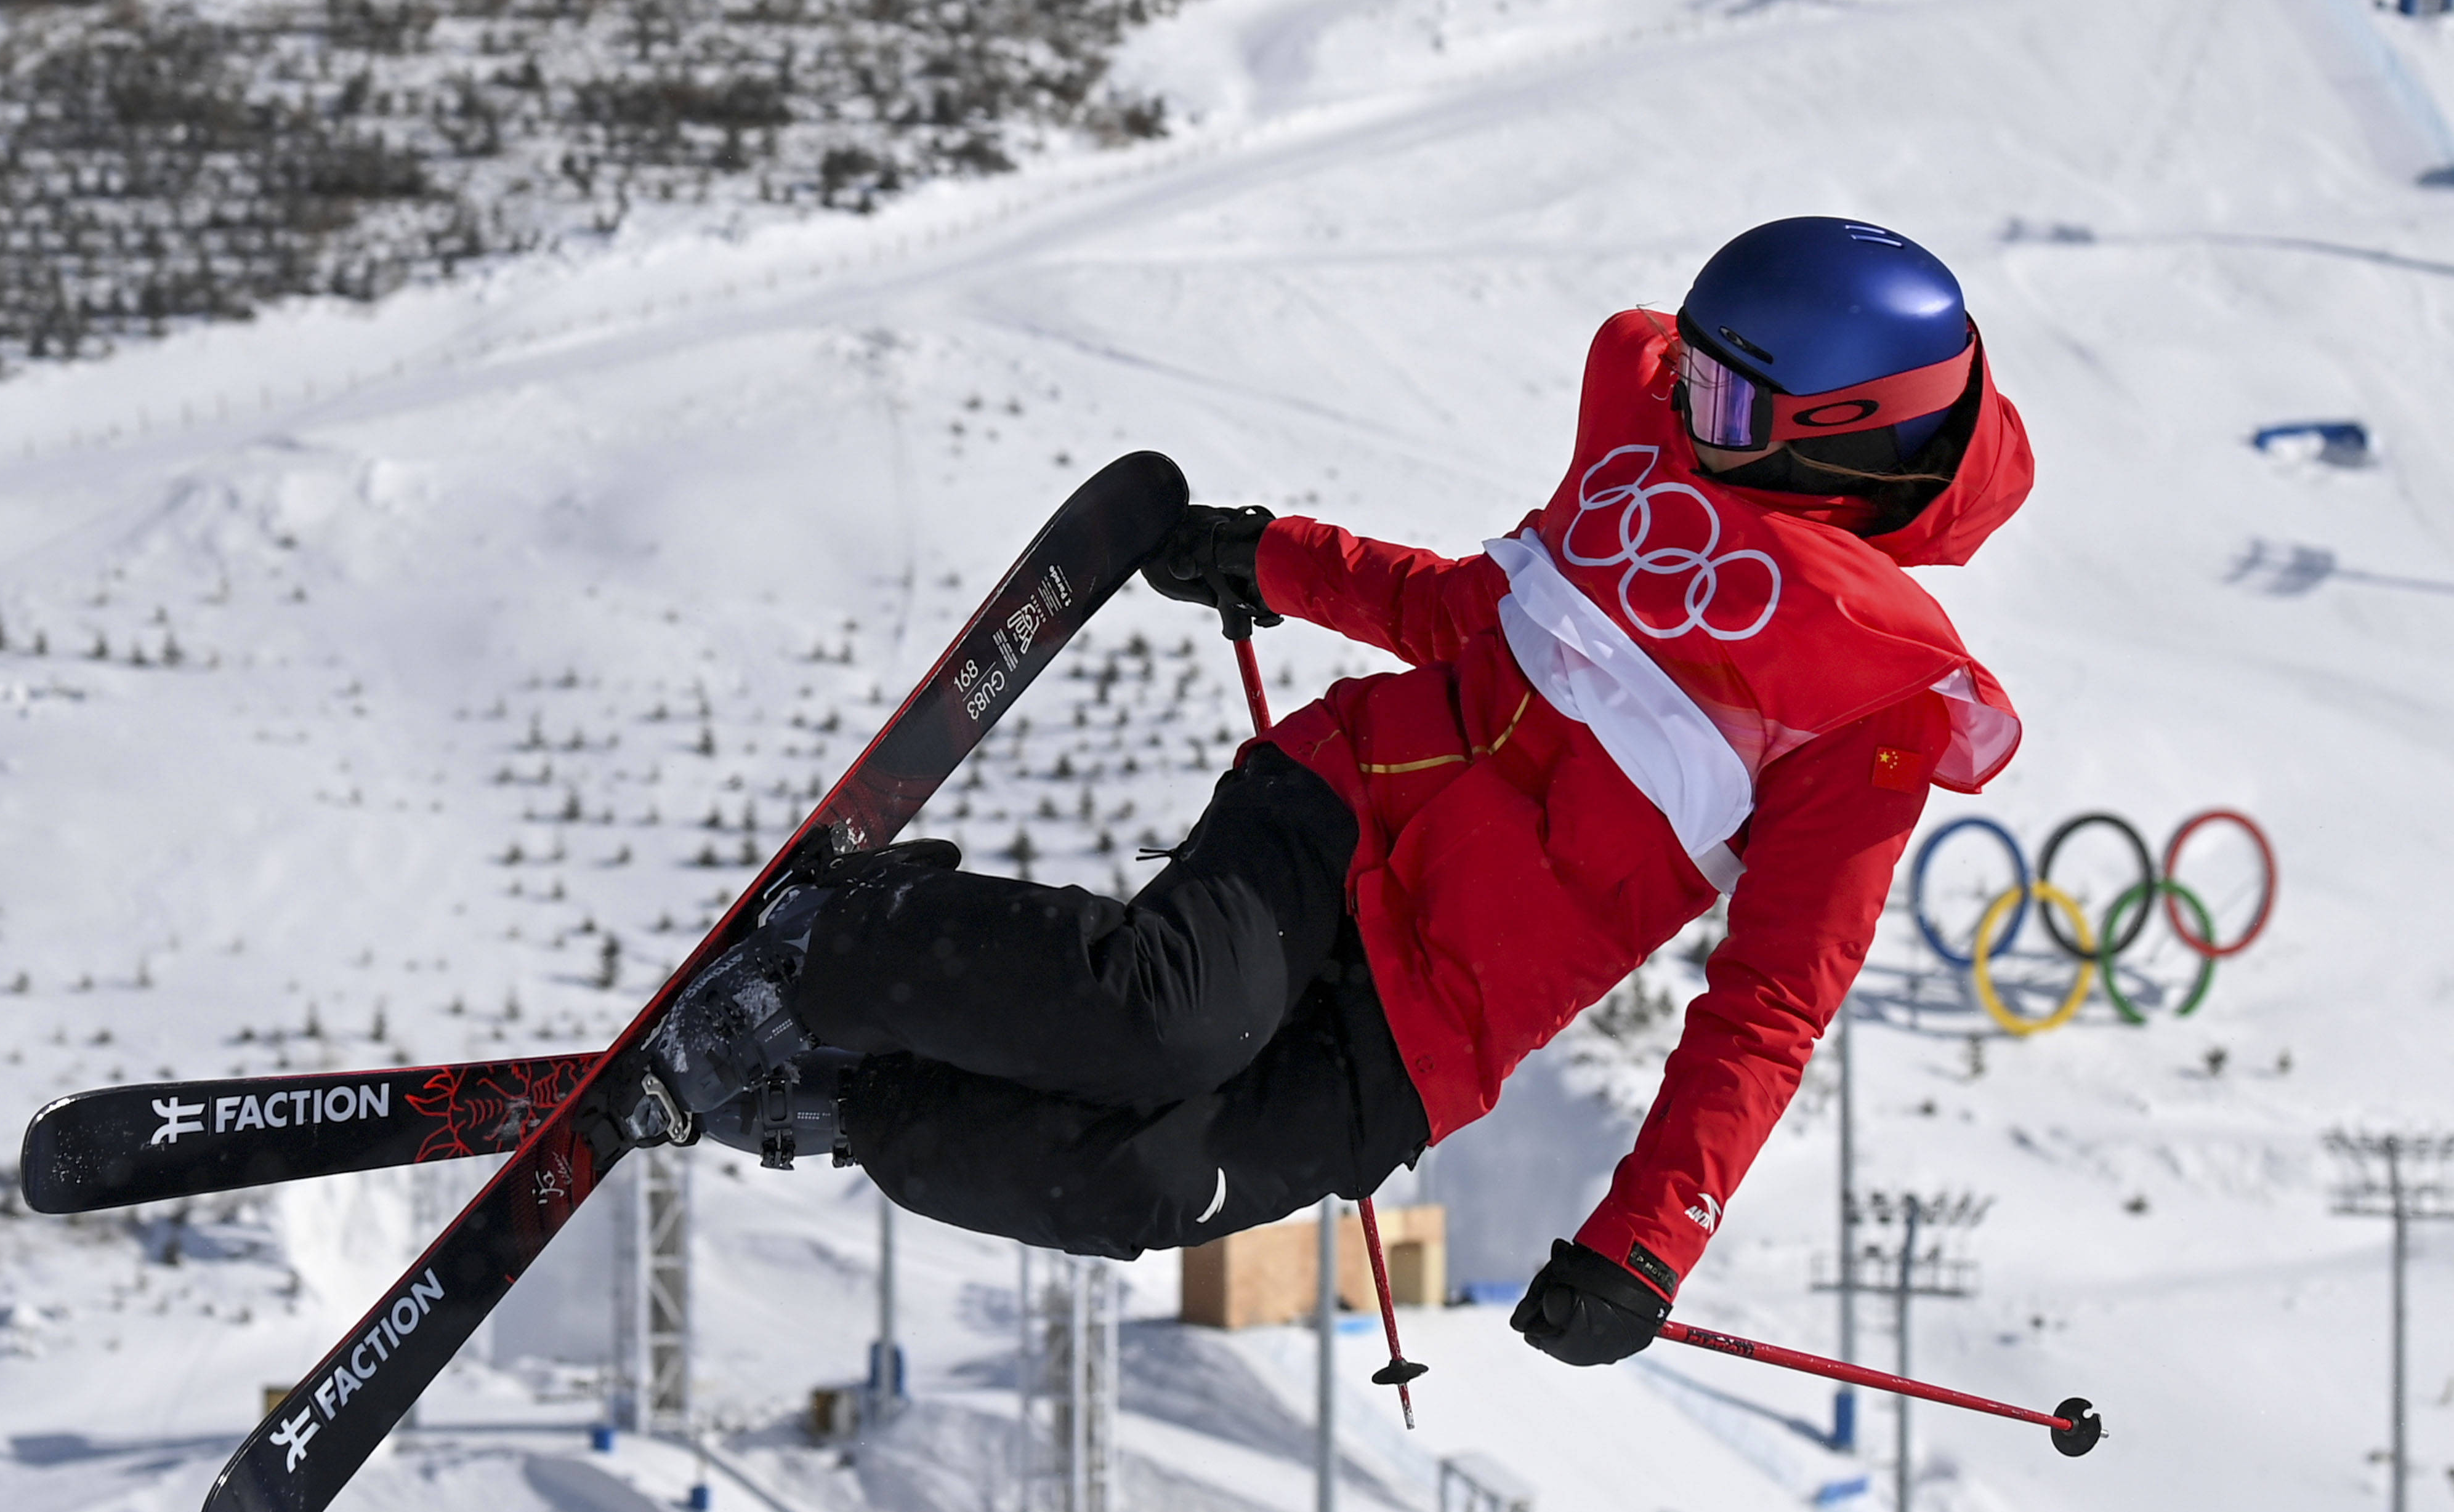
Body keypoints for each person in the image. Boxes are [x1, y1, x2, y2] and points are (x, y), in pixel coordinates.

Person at [641, 215, 2034, 1370]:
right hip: (1353, 799)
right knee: (1162, 1019)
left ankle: (850, 1095)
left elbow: (1774, 1000)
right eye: (1692, 379)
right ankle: (842, 944)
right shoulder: (1660, 442)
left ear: (1844, 431)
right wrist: (1276, 560)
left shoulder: (1875, 703)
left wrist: (1644, 1242)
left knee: (1132, 1184)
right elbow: (1485, 612)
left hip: (1446, 1014)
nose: (1684, 411)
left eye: (1722, 402)